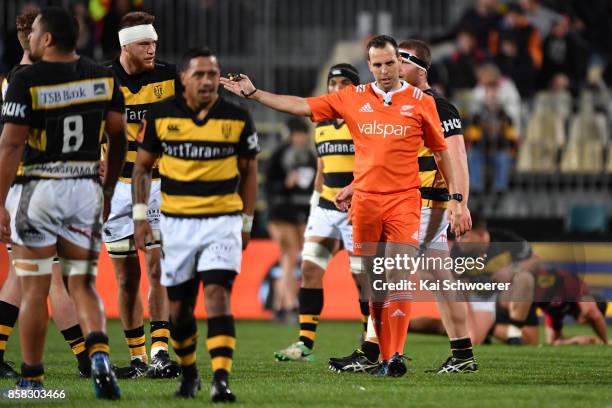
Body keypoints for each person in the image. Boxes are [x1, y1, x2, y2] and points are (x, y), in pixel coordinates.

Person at [221, 35, 468, 377]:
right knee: (374, 281)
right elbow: (302, 105)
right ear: (369, 66)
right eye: (377, 64)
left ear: (399, 63)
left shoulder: (420, 102)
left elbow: (444, 155)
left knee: (398, 278)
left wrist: (457, 200)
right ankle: (378, 355)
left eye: (389, 63)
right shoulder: (353, 97)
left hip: (405, 201)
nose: (384, 70)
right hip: (365, 202)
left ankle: (393, 357)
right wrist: (255, 93)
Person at [0, 7, 127, 398]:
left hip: (40, 188)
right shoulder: (103, 77)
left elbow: (12, 143)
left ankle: (32, 378)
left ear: (49, 38)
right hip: (85, 189)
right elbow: (119, 137)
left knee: (35, 286)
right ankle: (99, 354)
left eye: (37, 33)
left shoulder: (26, 80)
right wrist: (106, 192)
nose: (33, 39)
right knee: (82, 284)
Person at [329, 39, 476, 374]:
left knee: (385, 276)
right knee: (439, 278)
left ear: (416, 67)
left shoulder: (436, 106)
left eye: (398, 62)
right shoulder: (408, 104)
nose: (390, 69)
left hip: (422, 203)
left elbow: (456, 159)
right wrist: (356, 186)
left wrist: (459, 203)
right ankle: (462, 354)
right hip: (416, 201)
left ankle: (372, 353)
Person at [133, 47, 259, 401]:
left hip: (222, 223)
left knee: (218, 297)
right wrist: (141, 216)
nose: (207, 81)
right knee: (180, 308)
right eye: (199, 74)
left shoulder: (236, 117)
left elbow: (250, 172)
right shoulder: (160, 116)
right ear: (183, 79)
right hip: (177, 225)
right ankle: (189, 373)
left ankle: (221, 380)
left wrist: (246, 222)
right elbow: (142, 166)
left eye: (212, 74)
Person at [0, 7, 90, 380]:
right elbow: (12, 143)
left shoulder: (15, 80)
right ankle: (87, 358)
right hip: (28, 189)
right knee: (44, 277)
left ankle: (87, 357)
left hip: (25, 190)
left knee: (29, 276)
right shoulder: (27, 81)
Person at [274, 63, 371, 362]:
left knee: (362, 278)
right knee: (310, 270)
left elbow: (374, 167)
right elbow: (322, 167)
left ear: (355, 88)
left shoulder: (365, 122)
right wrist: (316, 201)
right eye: (333, 83)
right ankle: (304, 344)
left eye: (344, 83)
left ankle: (371, 337)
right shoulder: (322, 124)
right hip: (326, 208)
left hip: (357, 209)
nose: (337, 89)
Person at [102, 11, 180, 379]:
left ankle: (161, 351)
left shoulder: (169, 76)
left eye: (154, 43)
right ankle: (136, 358)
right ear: (125, 46)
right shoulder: (101, 80)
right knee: (126, 278)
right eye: (144, 44)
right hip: (116, 187)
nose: (152, 49)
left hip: (159, 184)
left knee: (157, 267)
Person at [266, 118, 317, 324]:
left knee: (290, 257)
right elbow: (268, 186)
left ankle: (280, 305)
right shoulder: (280, 155)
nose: (300, 138)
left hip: (301, 212)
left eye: (303, 134)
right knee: (290, 255)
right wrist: (285, 184)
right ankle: (290, 304)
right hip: (280, 213)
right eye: (297, 134)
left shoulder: (309, 156)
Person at [494, 267, 609, 346]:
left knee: (529, 340)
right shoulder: (577, 288)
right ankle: (488, 325)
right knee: (524, 337)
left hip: (523, 295)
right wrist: (606, 341)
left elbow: (553, 341)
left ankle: (488, 327)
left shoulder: (560, 308)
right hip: (521, 287)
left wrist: (575, 340)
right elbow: (591, 311)